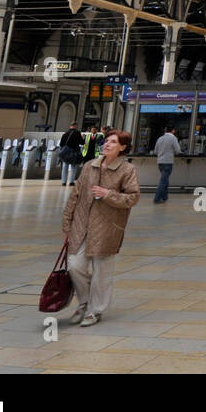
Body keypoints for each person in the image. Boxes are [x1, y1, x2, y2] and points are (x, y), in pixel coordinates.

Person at [61, 130, 140, 326]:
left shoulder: (127, 170)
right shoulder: (90, 166)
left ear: (122, 147)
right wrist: (67, 220)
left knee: (101, 273)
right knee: (74, 265)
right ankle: (85, 302)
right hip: (82, 225)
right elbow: (76, 194)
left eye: (113, 142)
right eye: (107, 141)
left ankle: (95, 310)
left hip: (107, 227)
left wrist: (107, 194)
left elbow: (132, 197)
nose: (107, 144)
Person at [152, 124, 180, 204]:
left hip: (160, 162)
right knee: (163, 181)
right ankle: (157, 198)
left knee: (165, 180)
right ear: (173, 130)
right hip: (168, 162)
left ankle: (165, 197)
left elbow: (156, 151)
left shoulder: (160, 138)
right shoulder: (173, 138)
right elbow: (177, 150)